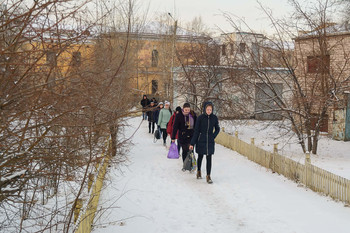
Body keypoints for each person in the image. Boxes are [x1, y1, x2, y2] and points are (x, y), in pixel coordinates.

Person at [190, 102, 220, 184]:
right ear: (204, 109)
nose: (209, 111)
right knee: (200, 156)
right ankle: (199, 171)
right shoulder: (200, 118)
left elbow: (217, 129)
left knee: (209, 158)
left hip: (210, 141)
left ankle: (208, 175)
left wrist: (213, 136)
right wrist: (192, 143)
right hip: (201, 139)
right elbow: (196, 131)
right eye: (207, 109)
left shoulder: (214, 118)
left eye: (210, 109)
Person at [171, 103, 197, 170]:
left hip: (191, 135)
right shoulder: (179, 115)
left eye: (188, 110)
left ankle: (191, 165)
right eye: (186, 110)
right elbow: (175, 127)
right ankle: (185, 165)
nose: (187, 111)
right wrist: (173, 137)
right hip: (182, 136)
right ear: (183, 109)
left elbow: (196, 125)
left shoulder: (193, 114)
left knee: (191, 150)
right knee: (185, 151)